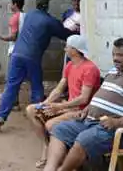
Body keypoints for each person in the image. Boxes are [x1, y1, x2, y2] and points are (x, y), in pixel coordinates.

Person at [45, 38, 123, 171]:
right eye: (113, 54)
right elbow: (101, 95)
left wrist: (117, 122)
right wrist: (88, 108)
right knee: (60, 129)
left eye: (120, 55)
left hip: (118, 131)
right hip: (90, 121)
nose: (115, 58)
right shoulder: (113, 72)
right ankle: (49, 169)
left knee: (84, 139)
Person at [0, 0, 74, 132]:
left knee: (11, 87)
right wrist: (78, 32)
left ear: (36, 5)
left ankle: (0, 117)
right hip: (32, 57)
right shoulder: (50, 21)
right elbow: (65, 34)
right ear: (47, 6)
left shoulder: (29, 15)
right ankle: (36, 116)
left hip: (17, 54)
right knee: (36, 88)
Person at [25, 35, 100, 169]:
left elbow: (83, 98)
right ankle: (47, 146)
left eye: (67, 46)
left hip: (80, 111)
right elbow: (59, 88)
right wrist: (45, 103)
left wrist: (59, 106)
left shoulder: (90, 69)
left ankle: (64, 158)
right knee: (31, 110)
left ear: (75, 50)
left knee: (50, 125)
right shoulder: (70, 65)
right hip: (68, 107)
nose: (65, 49)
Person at [0, 0, 26, 110]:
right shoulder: (26, 16)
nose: (9, 5)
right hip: (26, 50)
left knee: (12, 78)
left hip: (15, 51)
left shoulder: (14, 18)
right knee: (22, 77)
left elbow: (13, 37)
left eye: (11, 3)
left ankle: (13, 104)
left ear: (15, 4)